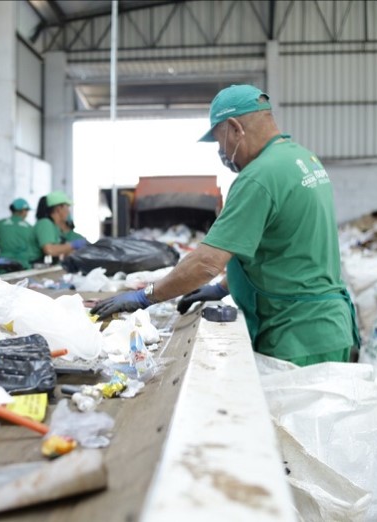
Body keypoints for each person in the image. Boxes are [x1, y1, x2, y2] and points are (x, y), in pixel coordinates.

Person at [91, 84, 360, 367]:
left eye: (221, 142)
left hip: (296, 334)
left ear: (235, 128)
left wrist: (146, 296)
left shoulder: (259, 177)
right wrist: (223, 288)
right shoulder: (303, 159)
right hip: (325, 327)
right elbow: (284, 247)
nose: (222, 151)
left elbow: (206, 262)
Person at [0, 197, 43, 270]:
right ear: (23, 211)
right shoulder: (29, 228)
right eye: (27, 211)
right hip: (23, 265)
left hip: (2, 265)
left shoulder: (0, 224)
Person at [34, 191, 89, 261]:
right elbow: (49, 250)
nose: (68, 212)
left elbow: (60, 251)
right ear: (58, 209)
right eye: (67, 207)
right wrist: (73, 245)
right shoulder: (45, 223)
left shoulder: (55, 228)